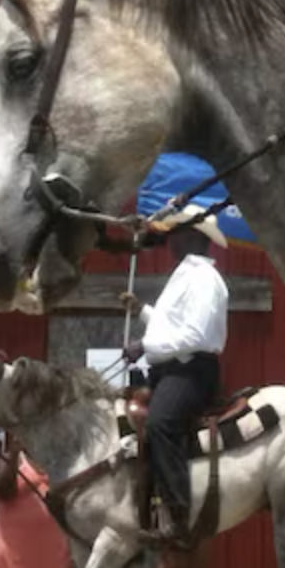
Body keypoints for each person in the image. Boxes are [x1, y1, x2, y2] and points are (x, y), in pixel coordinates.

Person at [121, 213, 230, 544]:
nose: (170, 239)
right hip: (172, 368)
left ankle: (179, 518)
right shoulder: (185, 275)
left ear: (194, 237)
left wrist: (144, 344)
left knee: (160, 424)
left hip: (190, 371)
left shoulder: (204, 278)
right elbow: (173, 326)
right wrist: (142, 311)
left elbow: (194, 335)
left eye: (177, 233)